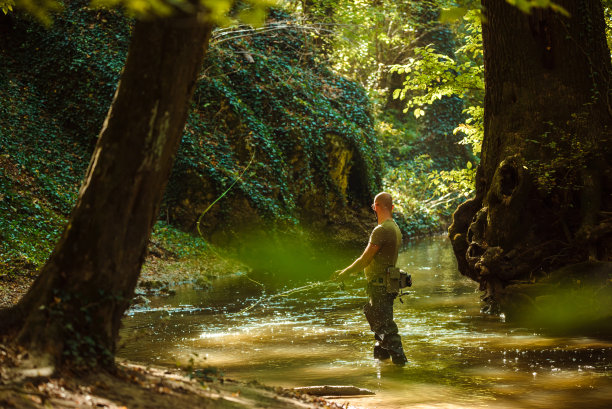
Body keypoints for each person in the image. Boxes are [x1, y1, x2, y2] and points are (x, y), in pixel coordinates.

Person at [331, 192, 407, 365]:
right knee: (379, 329)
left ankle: (401, 366)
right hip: (388, 284)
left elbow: (365, 259)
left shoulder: (381, 230)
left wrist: (345, 273)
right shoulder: (395, 227)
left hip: (379, 286)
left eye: (374, 206)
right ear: (392, 207)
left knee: (386, 329)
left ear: (376, 206)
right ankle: (382, 367)